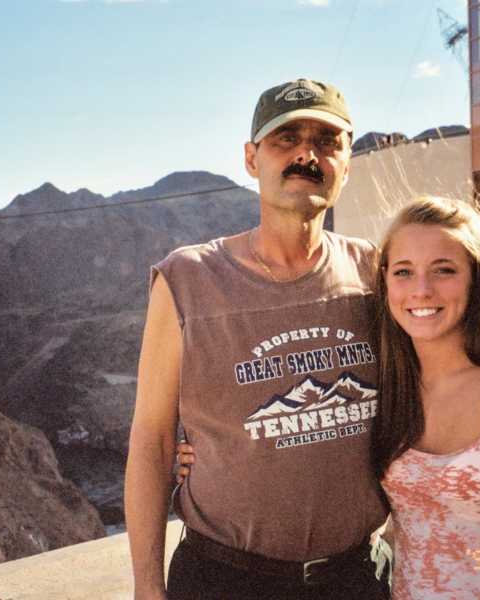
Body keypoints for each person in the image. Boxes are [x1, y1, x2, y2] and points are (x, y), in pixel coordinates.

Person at [179, 196, 480, 599]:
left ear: (477, 278)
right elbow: (315, 439)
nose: (422, 290)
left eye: (444, 270)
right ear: (385, 283)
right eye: (404, 272)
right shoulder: (388, 385)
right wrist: (212, 458)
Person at [124, 78, 391, 600]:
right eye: (285, 140)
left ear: (347, 163)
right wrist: (147, 588)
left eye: (326, 142)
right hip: (223, 581)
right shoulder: (186, 279)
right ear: (252, 159)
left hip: (357, 579)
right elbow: (152, 442)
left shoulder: (375, 272)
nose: (306, 156)